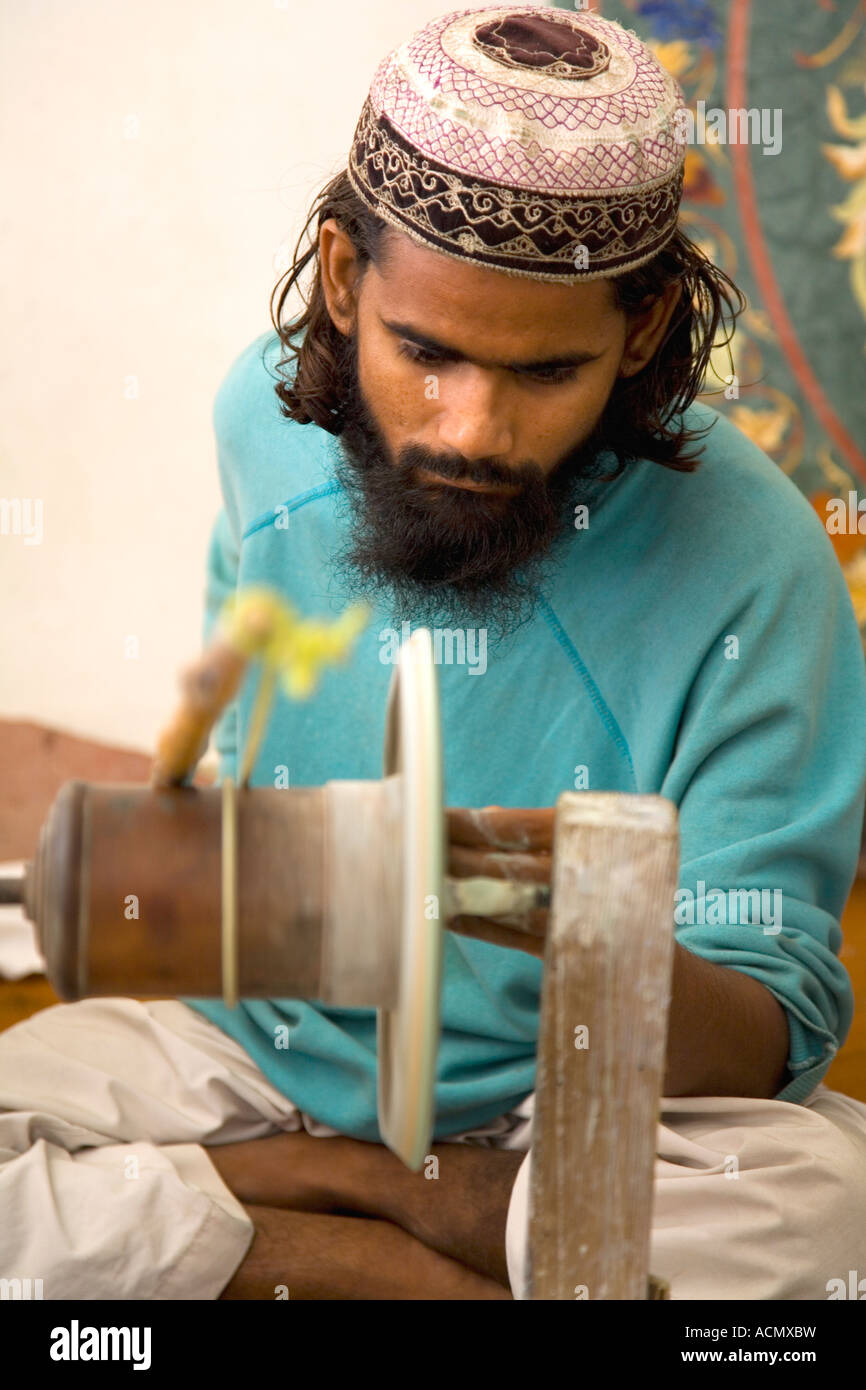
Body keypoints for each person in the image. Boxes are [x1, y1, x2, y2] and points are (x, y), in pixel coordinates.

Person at [3, 4, 866, 1301]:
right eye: (424, 352)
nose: (470, 427)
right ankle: (361, 1218)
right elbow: (236, 762)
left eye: (544, 373)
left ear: (635, 336)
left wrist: (582, 925)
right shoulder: (261, 420)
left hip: (562, 1101)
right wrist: (179, 869)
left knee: (827, 1217)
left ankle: (301, 1203)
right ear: (347, 282)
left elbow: (764, 1039)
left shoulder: (757, 566)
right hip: (254, 1053)